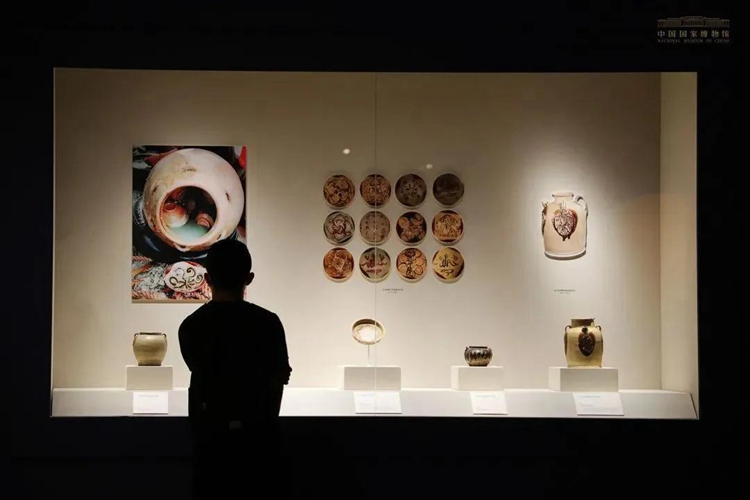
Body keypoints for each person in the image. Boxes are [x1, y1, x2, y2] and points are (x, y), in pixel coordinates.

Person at [178, 239, 292, 499]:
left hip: (210, 444)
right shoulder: (269, 323)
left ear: (207, 279)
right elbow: (278, 379)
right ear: (248, 279)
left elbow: (199, 370)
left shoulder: (191, 325)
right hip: (259, 443)